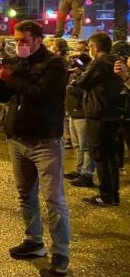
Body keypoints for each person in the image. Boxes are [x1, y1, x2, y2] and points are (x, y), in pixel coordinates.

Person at [0, 20, 71, 277]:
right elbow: (4, 97)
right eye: (17, 41)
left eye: (24, 41)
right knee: (25, 194)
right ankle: (34, 241)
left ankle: (61, 253)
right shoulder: (17, 62)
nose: (20, 45)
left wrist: (11, 78)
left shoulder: (54, 64)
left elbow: (43, 94)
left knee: (53, 199)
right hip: (18, 139)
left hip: (45, 140)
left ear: (38, 40)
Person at [74, 32, 123, 206]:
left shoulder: (99, 63)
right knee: (111, 156)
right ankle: (112, 194)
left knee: (100, 155)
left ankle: (106, 194)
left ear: (95, 47)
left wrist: (80, 73)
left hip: (98, 113)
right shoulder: (116, 61)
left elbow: (82, 82)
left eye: (90, 47)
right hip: (112, 112)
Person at [64, 48, 93, 187]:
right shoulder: (74, 74)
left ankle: (87, 174)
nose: (73, 62)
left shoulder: (85, 75)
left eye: (76, 59)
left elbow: (82, 92)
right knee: (77, 145)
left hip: (82, 113)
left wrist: (71, 88)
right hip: (72, 112)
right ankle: (79, 169)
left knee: (85, 146)